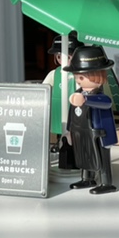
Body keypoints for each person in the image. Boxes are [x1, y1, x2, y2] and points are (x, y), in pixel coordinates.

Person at [64, 45, 118, 195]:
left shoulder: (98, 96)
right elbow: (72, 113)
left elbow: (105, 102)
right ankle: (87, 178)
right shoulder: (78, 94)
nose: (78, 80)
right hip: (81, 132)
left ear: (97, 75)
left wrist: (86, 100)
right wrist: (69, 130)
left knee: (102, 159)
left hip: (100, 134)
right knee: (84, 155)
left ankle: (106, 182)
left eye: (82, 77)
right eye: (77, 76)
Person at [42, 33, 85, 167]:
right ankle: (59, 144)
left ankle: (73, 148)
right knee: (59, 128)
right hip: (57, 106)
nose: (63, 60)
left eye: (68, 57)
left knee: (72, 129)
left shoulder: (78, 75)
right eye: (60, 56)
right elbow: (44, 88)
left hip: (72, 106)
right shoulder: (54, 73)